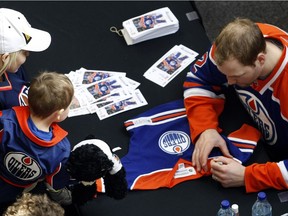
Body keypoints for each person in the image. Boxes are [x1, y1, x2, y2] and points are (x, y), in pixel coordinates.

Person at [183, 17, 288, 192]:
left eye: (237, 76)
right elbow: (198, 79)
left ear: (260, 60)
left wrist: (247, 176)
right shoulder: (234, 44)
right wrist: (206, 128)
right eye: (226, 75)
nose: (229, 83)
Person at [0, 71, 74, 205]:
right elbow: (54, 181)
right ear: (59, 114)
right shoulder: (61, 149)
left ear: (27, 100)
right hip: (20, 191)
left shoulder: (5, 120)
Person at [0, 8, 51, 110]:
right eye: (24, 52)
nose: (28, 54)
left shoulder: (13, 69)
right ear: (5, 58)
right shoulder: (10, 99)